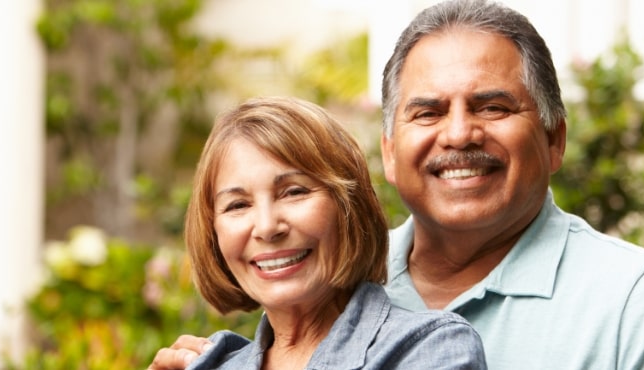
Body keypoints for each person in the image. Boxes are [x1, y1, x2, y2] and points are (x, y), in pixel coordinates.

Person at [151, 0, 644, 369]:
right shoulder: (329, 282)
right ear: (388, 152)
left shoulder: (640, 307)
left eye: (493, 106)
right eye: (427, 112)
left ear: (554, 140)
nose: (458, 134)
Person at [180, 96, 486, 369]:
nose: (267, 227)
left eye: (294, 192)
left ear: (348, 207)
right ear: (213, 232)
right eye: (237, 205)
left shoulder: (429, 349)